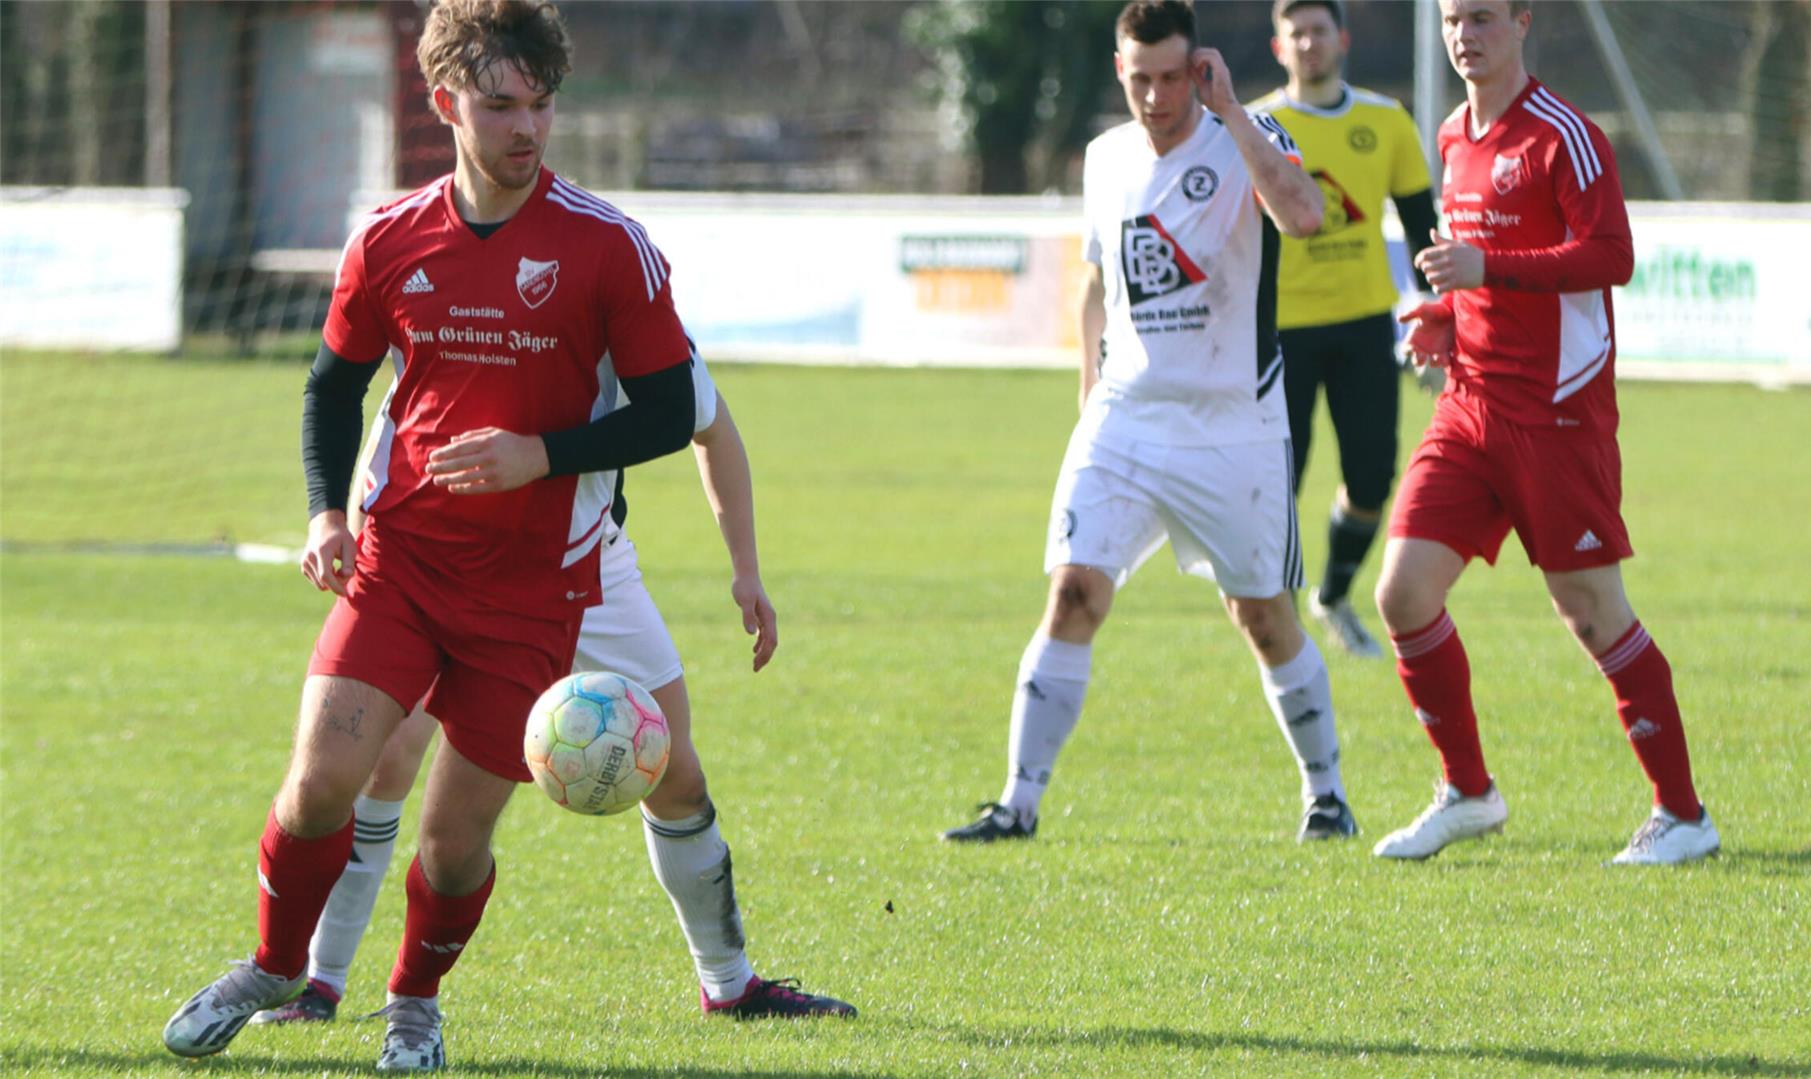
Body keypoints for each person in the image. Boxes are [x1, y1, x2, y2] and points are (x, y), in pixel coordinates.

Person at [161, 3, 827, 1070]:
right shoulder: (387, 238)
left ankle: (413, 1000)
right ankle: (280, 967)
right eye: (503, 104)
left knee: (457, 837)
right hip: (403, 560)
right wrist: (327, 509)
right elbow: (333, 385)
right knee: (325, 777)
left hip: (539, 583)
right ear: (446, 106)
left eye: (543, 103)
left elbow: (676, 412)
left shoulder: (608, 248)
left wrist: (542, 453)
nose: (529, 127)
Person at [247, 349, 853, 1028]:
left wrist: (746, 569)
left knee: (675, 772)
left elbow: (710, 426)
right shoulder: (472, 280)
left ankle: (731, 984)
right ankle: (319, 984)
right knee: (382, 760)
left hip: (587, 562)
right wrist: (352, 521)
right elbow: (393, 405)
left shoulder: (625, 296)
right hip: (437, 555)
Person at [943, 0, 1353, 846]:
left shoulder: (1251, 137)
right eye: (1141, 79)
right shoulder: (1104, 157)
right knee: (1073, 593)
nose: (1158, 96)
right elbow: (1097, 284)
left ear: (1197, 67)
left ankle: (1327, 794)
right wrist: (1090, 393)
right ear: (1121, 69)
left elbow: (1305, 217)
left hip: (1231, 425)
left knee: (1264, 616)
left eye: (1173, 77)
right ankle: (1017, 803)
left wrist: (1233, 113)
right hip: (1125, 417)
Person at [1373, 0, 1719, 865]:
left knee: (1592, 612)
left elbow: (1612, 257)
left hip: (1557, 414)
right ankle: (1468, 792)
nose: (1465, 35)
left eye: (1484, 17)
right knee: (1402, 593)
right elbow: (1473, 277)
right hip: (1468, 405)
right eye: (1454, 19)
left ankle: (1683, 815)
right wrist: (1446, 315)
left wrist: (1488, 269)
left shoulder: (1565, 135)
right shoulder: (1451, 135)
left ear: (1524, 22)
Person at [1250, 0, 1440, 659]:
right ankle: (1276, 624)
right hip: (1280, 335)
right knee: (1279, 484)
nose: (1307, 43)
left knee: (1370, 478)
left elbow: (1423, 229)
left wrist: (1442, 320)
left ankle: (1331, 595)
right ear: (1279, 47)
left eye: (1318, 31)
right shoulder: (1257, 126)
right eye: (1294, 33)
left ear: (1343, 41)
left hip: (1364, 329)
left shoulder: (1385, 121)